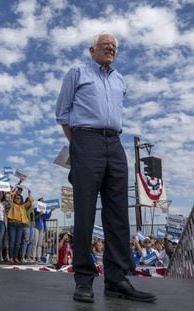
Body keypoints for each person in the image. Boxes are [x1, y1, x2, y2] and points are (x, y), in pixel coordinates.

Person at [55, 33, 156, 303]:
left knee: (118, 214)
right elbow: (62, 113)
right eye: (105, 45)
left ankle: (116, 280)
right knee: (86, 213)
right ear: (92, 50)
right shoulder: (78, 72)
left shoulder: (120, 80)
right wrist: (78, 145)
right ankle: (84, 280)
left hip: (115, 142)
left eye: (114, 46)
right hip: (85, 139)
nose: (110, 48)